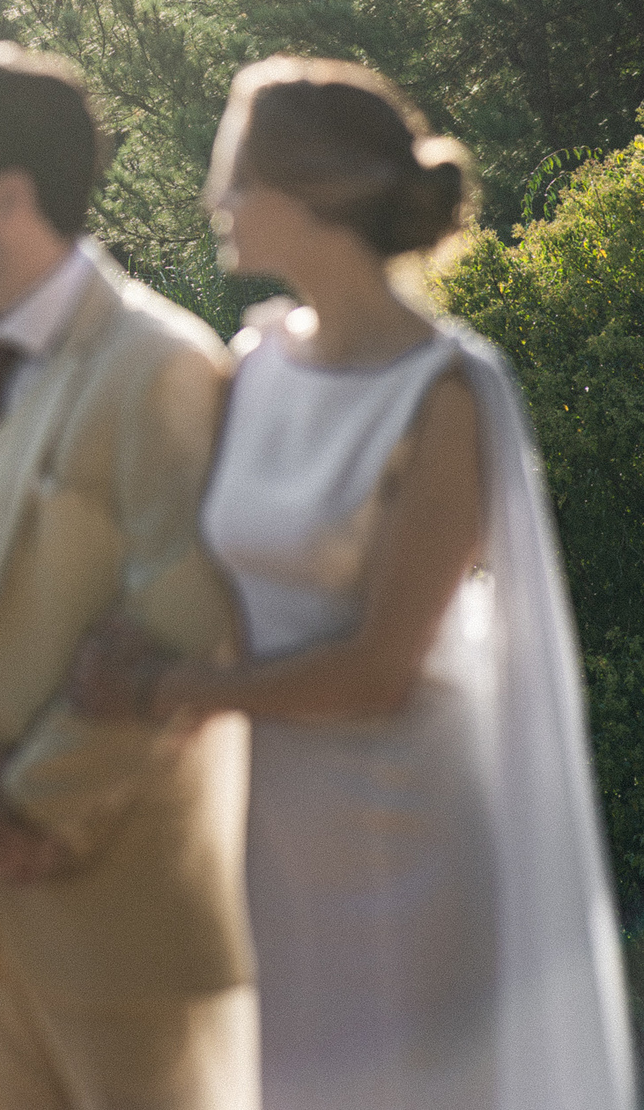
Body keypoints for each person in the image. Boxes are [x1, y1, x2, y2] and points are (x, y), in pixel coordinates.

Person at [71, 54, 635, 1110]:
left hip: (400, 835)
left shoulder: (447, 394)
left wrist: (171, 691)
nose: (212, 199)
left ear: (314, 195)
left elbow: (380, 668)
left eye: (233, 174)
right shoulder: (256, 361)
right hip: (269, 837)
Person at [0, 39, 259, 1110]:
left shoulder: (162, 362)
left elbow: (188, 628)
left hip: (124, 916)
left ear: (11, 194)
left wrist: (14, 814)